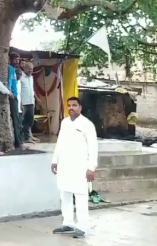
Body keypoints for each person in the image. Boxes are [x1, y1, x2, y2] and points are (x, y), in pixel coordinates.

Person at [51, 97, 98, 238]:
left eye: (74, 105)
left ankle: (82, 226)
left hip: (80, 167)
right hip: (65, 165)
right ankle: (68, 223)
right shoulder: (65, 122)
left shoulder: (87, 124)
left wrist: (92, 168)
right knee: (64, 194)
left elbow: (93, 147)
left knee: (80, 196)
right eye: (69, 105)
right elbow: (59, 143)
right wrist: (55, 161)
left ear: (80, 107)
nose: (71, 108)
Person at [8, 53, 23, 149]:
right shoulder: (9, 68)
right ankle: (19, 143)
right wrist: (9, 91)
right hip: (12, 97)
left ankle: (19, 141)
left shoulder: (14, 70)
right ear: (10, 59)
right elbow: (9, 80)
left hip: (16, 97)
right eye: (15, 59)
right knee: (16, 119)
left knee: (17, 120)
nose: (17, 61)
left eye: (18, 60)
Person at [19, 61, 35, 143]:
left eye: (31, 69)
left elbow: (31, 90)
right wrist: (20, 103)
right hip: (23, 103)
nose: (30, 70)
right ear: (24, 68)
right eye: (29, 69)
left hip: (31, 102)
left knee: (30, 120)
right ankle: (21, 139)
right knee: (21, 121)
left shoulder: (31, 78)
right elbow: (19, 91)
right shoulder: (21, 77)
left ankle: (27, 138)